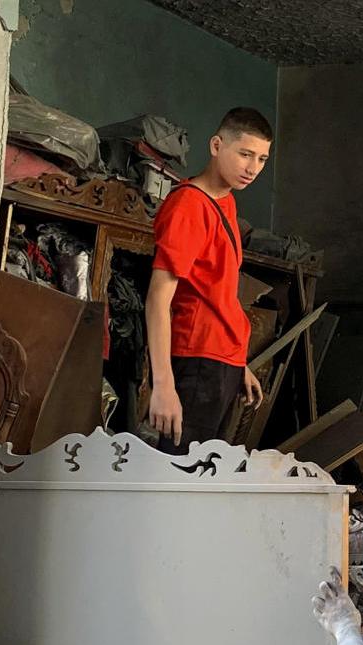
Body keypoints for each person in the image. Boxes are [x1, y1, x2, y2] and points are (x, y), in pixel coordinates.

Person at [144, 107, 273, 453]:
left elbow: (217, 291)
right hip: (197, 358)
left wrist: (236, 361)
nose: (253, 168)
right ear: (216, 146)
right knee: (179, 472)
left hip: (221, 360)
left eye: (262, 159)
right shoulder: (188, 205)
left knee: (204, 472)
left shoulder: (225, 201)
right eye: (245, 154)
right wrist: (164, 385)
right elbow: (158, 300)